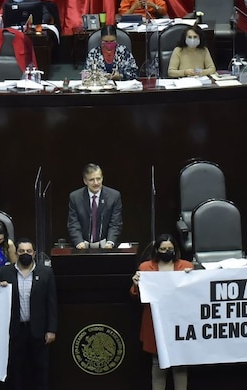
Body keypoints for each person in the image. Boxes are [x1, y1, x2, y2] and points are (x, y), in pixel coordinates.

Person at [130, 234, 193, 390]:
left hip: (180, 321)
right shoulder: (145, 268)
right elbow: (135, 295)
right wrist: (136, 284)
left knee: (179, 364)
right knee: (158, 364)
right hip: (154, 322)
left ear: (175, 250)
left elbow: (194, 294)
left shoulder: (186, 266)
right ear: (157, 250)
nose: (167, 252)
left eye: (170, 249)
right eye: (163, 249)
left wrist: (191, 278)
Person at [0, 238, 57, 390]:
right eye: (21, 251)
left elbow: (52, 302)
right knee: (15, 370)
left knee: (39, 369)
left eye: (28, 251)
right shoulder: (5, 272)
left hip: (38, 330)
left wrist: (51, 329)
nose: (25, 254)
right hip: (14, 331)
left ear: (34, 253)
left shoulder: (45, 272)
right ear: (16, 253)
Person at [67, 163, 123, 249]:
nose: (96, 183)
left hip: (106, 246)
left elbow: (115, 223)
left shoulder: (114, 196)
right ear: (85, 181)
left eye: (98, 179)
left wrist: (110, 242)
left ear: (102, 178)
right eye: (92, 180)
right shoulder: (75, 197)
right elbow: (73, 223)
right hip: (83, 246)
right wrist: (79, 242)